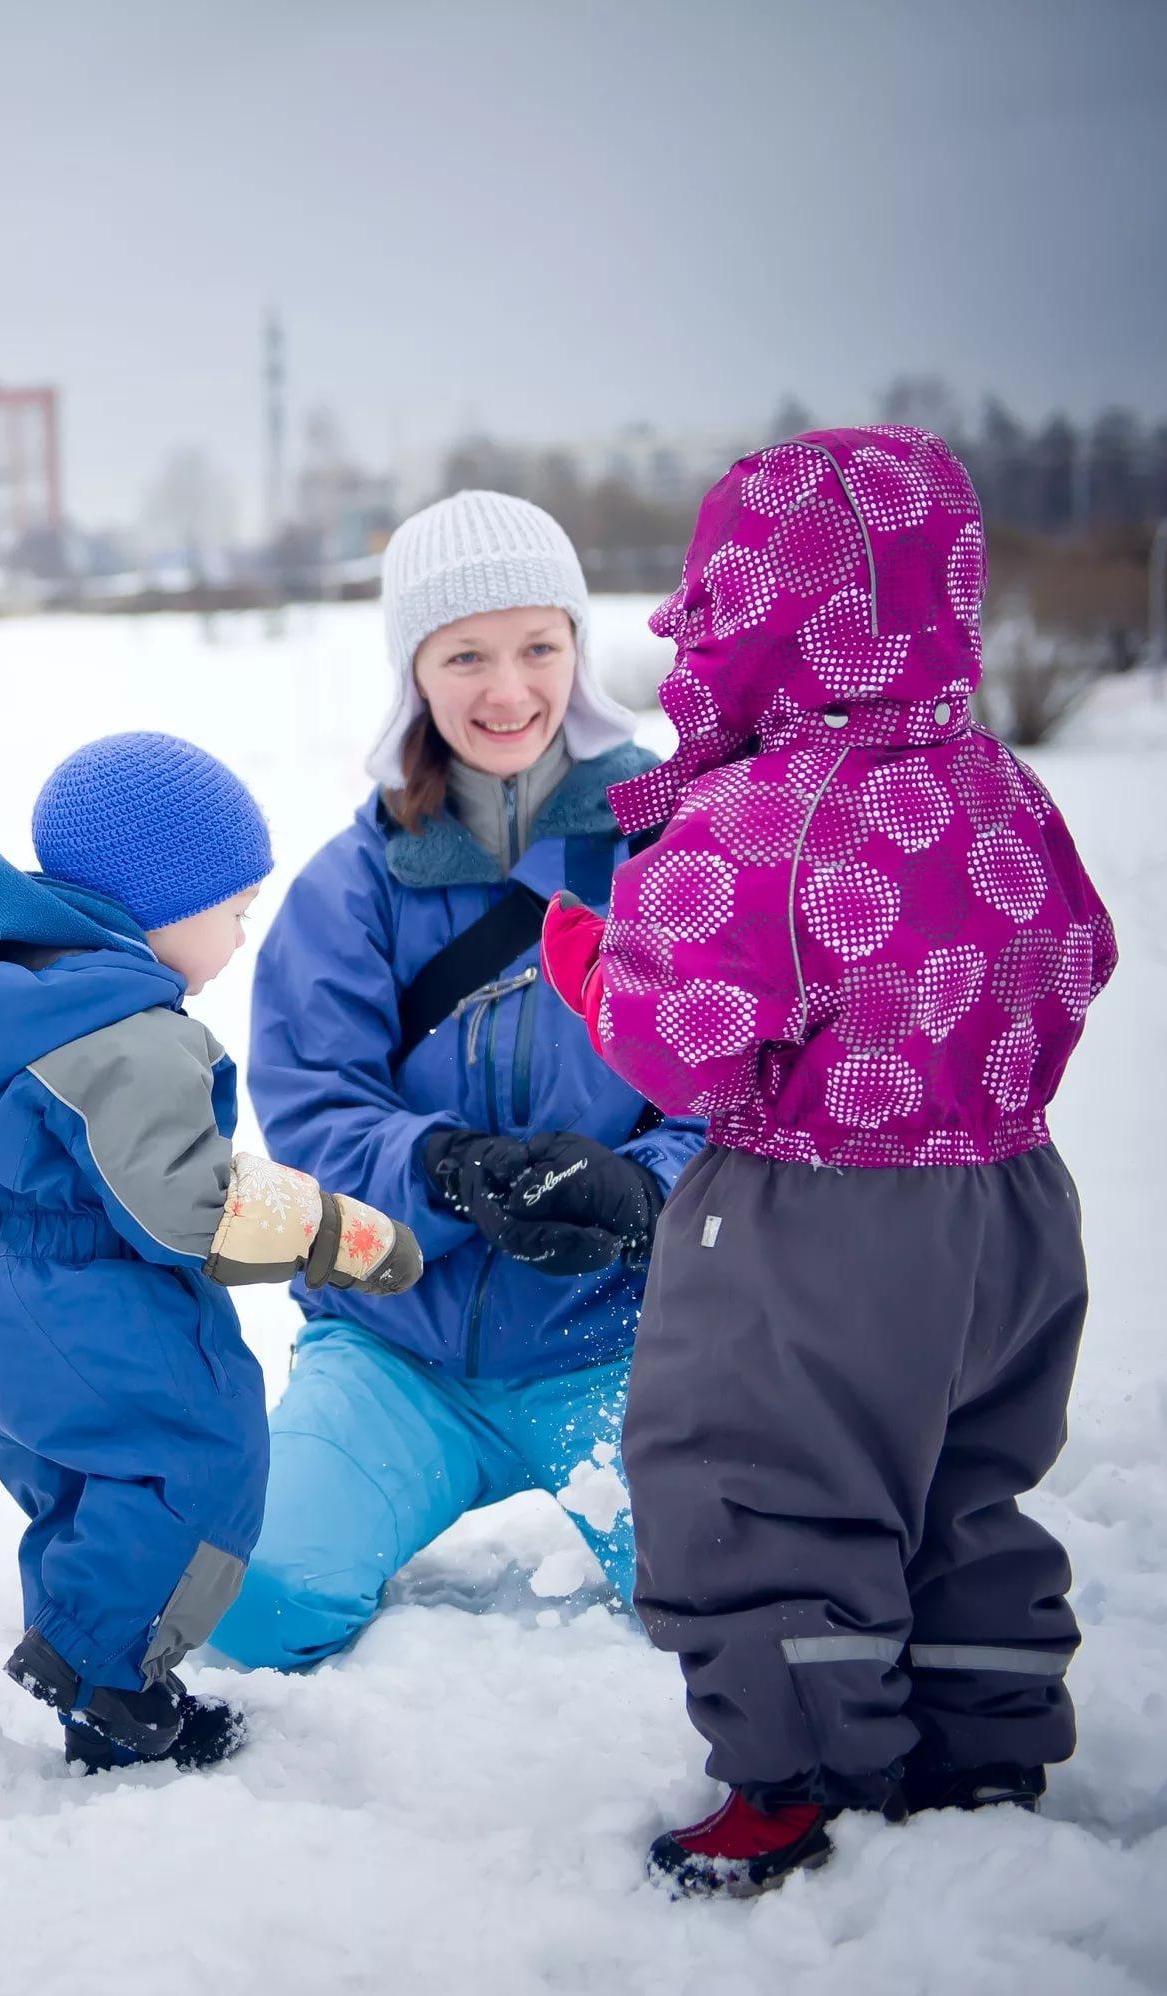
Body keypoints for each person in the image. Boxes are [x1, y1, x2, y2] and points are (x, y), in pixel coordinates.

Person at [540, 426, 1116, 1898]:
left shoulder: (756, 822)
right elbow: (1082, 951)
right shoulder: (1004, 788)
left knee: (751, 1478)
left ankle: (792, 1780)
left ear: (762, 613)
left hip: (809, 1218)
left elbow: (682, 1043)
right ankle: (982, 1742)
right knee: (963, 1481)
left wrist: (602, 971)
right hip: (1009, 1204)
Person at [209, 490, 703, 1674]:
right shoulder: (352, 882)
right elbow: (313, 1103)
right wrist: (445, 1168)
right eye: (466, 654)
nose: (509, 689)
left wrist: (645, 1191)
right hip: (394, 1347)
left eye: (540, 646)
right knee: (258, 1600)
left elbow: (736, 1084)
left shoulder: (673, 844)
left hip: (615, 1342)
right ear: (414, 670)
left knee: (719, 1591)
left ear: (578, 652)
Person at [0, 734, 422, 1774]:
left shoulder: (14, 999)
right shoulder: (126, 1031)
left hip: (7, 1297)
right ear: (158, 905)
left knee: (90, 1497)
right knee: (201, 1466)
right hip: (100, 1300)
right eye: (233, 910)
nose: (240, 934)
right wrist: (329, 1228)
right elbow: (189, 1207)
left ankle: (109, 1694)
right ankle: (97, 1667)